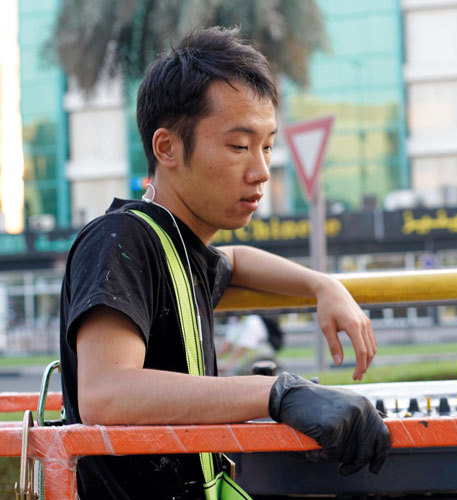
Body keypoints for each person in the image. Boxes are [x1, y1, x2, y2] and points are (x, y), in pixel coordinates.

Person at [59, 27, 388, 500]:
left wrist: (322, 285)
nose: (261, 171)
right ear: (167, 148)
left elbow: (234, 260)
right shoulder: (121, 239)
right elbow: (106, 393)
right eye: (239, 146)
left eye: (268, 146)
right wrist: (277, 394)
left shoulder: (181, 248)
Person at [218, 314, 283, 375]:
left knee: (241, 372)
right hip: (251, 358)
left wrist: (227, 365)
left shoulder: (252, 320)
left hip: (263, 356)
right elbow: (228, 345)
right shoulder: (233, 320)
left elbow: (243, 347)